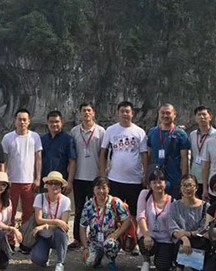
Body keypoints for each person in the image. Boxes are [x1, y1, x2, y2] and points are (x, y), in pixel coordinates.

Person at [100, 101, 148, 221]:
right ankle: (116, 233)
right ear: (118, 113)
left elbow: (144, 155)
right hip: (115, 179)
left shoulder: (139, 132)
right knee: (115, 212)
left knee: (134, 212)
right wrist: (102, 174)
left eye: (127, 111)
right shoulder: (111, 130)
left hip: (134, 179)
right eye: (122, 111)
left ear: (132, 114)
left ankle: (133, 233)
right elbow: (103, 152)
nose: (125, 114)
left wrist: (145, 175)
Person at [70, 103, 105, 249]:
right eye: (84, 110)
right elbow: (72, 156)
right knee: (79, 209)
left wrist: (102, 176)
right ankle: (77, 238)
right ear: (80, 113)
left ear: (93, 113)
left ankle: (95, 237)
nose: (86, 113)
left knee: (96, 209)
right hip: (78, 177)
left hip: (94, 178)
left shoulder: (101, 131)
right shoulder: (74, 131)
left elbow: (103, 155)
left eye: (89, 110)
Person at [79, 176, 131, 271]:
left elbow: (127, 220)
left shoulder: (115, 202)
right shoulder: (88, 205)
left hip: (111, 238)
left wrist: (116, 234)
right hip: (94, 240)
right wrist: (85, 247)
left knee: (110, 245)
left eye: (104, 188)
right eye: (98, 188)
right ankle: (97, 258)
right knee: (88, 262)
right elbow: (82, 227)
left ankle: (111, 261)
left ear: (108, 189)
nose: (101, 191)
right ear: (93, 189)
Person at [1, 108, 42, 228]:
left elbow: (38, 158)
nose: (22, 122)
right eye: (19, 119)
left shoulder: (35, 137)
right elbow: (3, 159)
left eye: (24, 120)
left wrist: (38, 178)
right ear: (15, 121)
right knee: (10, 211)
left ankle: (25, 237)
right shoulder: (8, 137)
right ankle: (10, 237)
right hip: (11, 181)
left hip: (29, 181)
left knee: (28, 212)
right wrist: (4, 178)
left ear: (29, 121)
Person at [147, 103, 190, 199]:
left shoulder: (180, 134)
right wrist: (147, 176)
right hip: (156, 177)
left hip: (175, 177)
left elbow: (184, 158)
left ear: (174, 114)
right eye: (162, 113)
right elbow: (149, 155)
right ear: (158, 114)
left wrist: (184, 180)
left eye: (168, 113)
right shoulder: (152, 132)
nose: (165, 115)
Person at [31, 171, 73, 271]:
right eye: (51, 183)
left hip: (56, 236)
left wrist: (45, 226)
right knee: (37, 259)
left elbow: (64, 224)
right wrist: (57, 221)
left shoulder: (66, 201)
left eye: (57, 183)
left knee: (60, 231)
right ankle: (45, 254)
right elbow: (39, 219)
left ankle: (60, 262)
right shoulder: (39, 197)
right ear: (46, 185)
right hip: (42, 236)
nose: (54, 186)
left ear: (61, 186)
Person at [136, 168, 176, 271]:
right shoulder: (145, 194)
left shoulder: (172, 200)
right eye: (154, 182)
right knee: (144, 244)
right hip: (149, 235)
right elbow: (140, 216)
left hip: (165, 238)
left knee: (163, 266)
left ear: (165, 183)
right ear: (149, 184)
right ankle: (146, 260)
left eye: (160, 182)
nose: (157, 185)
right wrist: (146, 235)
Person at [169, 174, 207, 271]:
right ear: (180, 188)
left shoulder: (206, 206)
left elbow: (204, 229)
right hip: (181, 242)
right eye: (184, 185)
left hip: (200, 242)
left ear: (196, 188)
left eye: (190, 185)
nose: (187, 189)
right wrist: (184, 238)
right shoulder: (175, 205)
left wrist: (188, 234)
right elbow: (173, 227)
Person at [41, 110, 77, 193]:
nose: (54, 124)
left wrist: (70, 182)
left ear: (62, 122)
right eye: (51, 122)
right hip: (46, 182)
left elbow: (72, 162)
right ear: (47, 123)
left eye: (57, 121)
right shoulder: (43, 139)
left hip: (61, 182)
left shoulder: (68, 140)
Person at [189, 106, 216, 199]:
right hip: (195, 177)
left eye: (204, 114)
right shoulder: (192, 135)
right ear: (195, 118)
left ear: (210, 117)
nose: (202, 117)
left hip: (211, 176)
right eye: (199, 115)